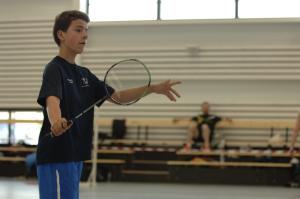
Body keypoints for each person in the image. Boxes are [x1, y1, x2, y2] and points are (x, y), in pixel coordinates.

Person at [36, 10, 181, 199]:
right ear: (61, 35)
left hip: (75, 152)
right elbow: (52, 99)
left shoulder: (85, 74)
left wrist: (151, 88)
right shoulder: (54, 68)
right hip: (55, 152)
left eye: (86, 31)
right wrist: (56, 121)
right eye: (78, 30)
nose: (85, 35)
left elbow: (118, 96)